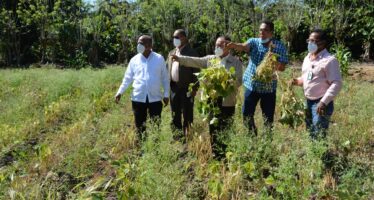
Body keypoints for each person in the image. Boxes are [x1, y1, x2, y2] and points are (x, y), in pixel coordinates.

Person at [171, 36, 243, 159]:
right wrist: (180, 59)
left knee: (226, 127)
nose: (217, 47)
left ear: (228, 46)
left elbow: (238, 81)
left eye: (220, 45)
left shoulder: (236, 62)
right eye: (216, 45)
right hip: (212, 101)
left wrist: (224, 80)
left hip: (227, 101)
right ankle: (215, 153)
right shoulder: (210, 59)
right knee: (213, 128)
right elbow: (195, 61)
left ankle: (226, 154)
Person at [226, 20, 288, 135]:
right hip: (251, 85)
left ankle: (266, 142)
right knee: (246, 114)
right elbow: (244, 47)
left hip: (268, 88)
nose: (262, 32)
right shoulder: (254, 42)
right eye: (260, 30)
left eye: (265, 30)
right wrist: (234, 45)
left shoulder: (279, 46)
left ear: (271, 33)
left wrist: (272, 63)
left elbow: (282, 67)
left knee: (268, 118)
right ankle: (252, 137)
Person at [115, 35, 170, 140]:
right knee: (139, 126)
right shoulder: (134, 60)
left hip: (155, 98)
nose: (138, 45)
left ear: (149, 45)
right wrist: (120, 92)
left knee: (156, 125)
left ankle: (155, 147)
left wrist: (166, 94)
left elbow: (165, 79)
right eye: (138, 43)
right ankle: (142, 147)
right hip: (138, 98)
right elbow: (127, 78)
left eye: (141, 43)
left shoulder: (159, 58)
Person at [292, 29, 342, 139]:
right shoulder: (307, 58)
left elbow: (337, 83)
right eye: (309, 40)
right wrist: (295, 81)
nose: (310, 43)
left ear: (322, 43)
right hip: (308, 102)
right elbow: (306, 79)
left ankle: (322, 155)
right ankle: (314, 155)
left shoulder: (329, 60)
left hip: (321, 104)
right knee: (310, 131)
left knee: (318, 134)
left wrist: (323, 102)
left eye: (313, 41)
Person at [167, 29, 199, 139]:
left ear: (184, 38)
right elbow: (169, 69)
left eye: (177, 37)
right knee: (175, 112)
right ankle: (177, 136)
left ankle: (188, 135)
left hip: (187, 88)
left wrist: (195, 88)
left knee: (187, 113)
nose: (175, 40)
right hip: (174, 87)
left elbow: (196, 72)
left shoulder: (191, 53)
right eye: (174, 37)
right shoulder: (172, 52)